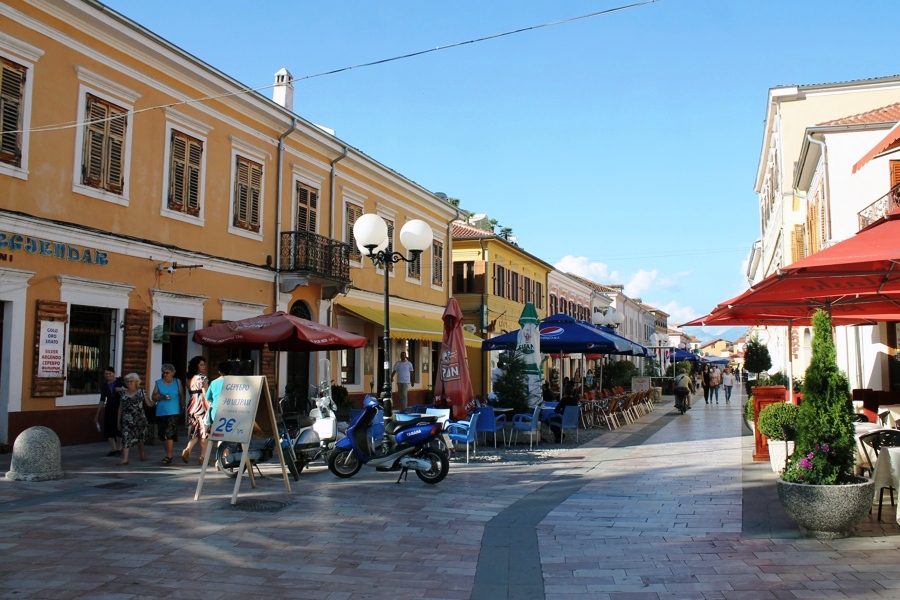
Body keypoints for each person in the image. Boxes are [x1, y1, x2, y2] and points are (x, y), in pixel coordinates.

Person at [151, 363, 184, 465]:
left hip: (173, 411)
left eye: (167, 373)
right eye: (164, 373)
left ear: (172, 373)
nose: (165, 375)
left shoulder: (177, 382)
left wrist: (183, 407)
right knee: (163, 435)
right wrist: (161, 397)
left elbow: (181, 395)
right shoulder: (158, 383)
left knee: (169, 433)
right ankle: (167, 454)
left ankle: (169, 456)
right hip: (161, 411)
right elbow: (153, 396)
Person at [181, 356, 209, 465]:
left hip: (192, 406)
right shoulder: (202, 378)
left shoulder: (189, 379)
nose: (204, 367)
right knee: (204, 433)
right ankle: (203, 457)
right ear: (196, 366)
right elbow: (206, 394)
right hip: (202, 406)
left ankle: (188, 448)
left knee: (195, 431)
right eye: (201, 365)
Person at [116, 373, 150, 465]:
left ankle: (142, 454)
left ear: (136, 382)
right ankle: (125, 458)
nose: (129, 383)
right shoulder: (123, 393)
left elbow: (149, 404)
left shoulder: (141, 392)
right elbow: (120, 407)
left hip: (139, 418)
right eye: (127, 381)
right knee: (125, 437)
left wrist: (159, 398)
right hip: (126, 419)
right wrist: (118, 421)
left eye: (131, 381)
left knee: (140, 438)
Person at [94, 366, 125, 456]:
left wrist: (121, 389)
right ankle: (113, 449)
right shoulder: (104, 385)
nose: (108, 375)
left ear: (114, 373)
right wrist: (97, 413)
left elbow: (130, 389)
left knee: (118, 427)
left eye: (110, 373)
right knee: (109, 428)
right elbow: (102, 399)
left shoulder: (120, 381)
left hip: (119, 406)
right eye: (106, 374)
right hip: (109, 407)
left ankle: (120, 448)